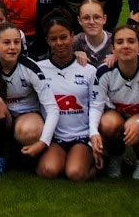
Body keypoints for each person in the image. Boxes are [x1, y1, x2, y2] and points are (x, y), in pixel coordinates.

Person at [0, 22, 59, 177]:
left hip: (26, 119)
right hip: (2, 119)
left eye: (16, 42)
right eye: (6, 43)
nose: (13, 47)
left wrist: (43, 142)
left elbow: (52, 108)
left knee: (28, 131)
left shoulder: (31, 68)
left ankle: (17, 154)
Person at [89, 25, 139, 180]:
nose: (125, 46)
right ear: (113, 48)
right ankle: (116, 158)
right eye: (120, 42)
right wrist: (93, 132)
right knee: (108, 125)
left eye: (131, 41)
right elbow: (96, 105)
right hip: (116, 115)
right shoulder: (104, 71)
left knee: (136, 127)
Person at [35, 12, 98, 182]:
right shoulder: (38, 69)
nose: (59, 43)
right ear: (48, 41)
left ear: (72, 36)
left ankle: (99, 163)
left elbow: (97, 106)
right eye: (53, 39)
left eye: (64, 37)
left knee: (75, 174)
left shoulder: (88, 70)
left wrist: (94, 135)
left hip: (81, 136)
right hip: (55, 138)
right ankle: (63, 159)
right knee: (48, 170)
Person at [73, 0, 113, 68]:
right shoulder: (74, 42)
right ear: (79, 20)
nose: (91, 22)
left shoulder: (115, 41)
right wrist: (72, 55)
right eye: (86, 18)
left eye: (96, 17)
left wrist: (120, 57)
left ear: (104, 19)